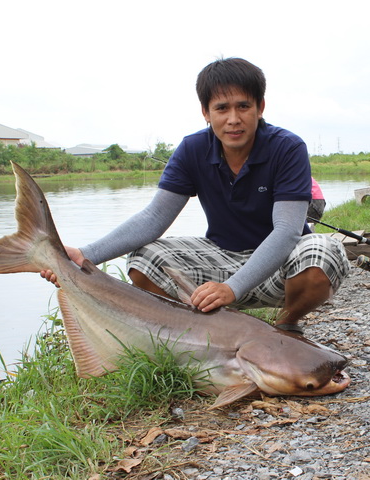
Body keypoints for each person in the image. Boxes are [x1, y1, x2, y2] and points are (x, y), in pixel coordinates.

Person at [42, 57, 350, 335]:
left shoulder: (287, 147)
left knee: (323, 250)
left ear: (260, 108)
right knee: (144, 259)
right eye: (221, 109)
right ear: (205, 112)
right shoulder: (192, 149)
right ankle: (205, 332)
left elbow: (286, 231)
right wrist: (85, 255)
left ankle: (285, 325)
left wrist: (232, 288)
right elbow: (153, 219)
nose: (233, 119)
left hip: (280, 265)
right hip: (221, 255)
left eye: (243, 106)